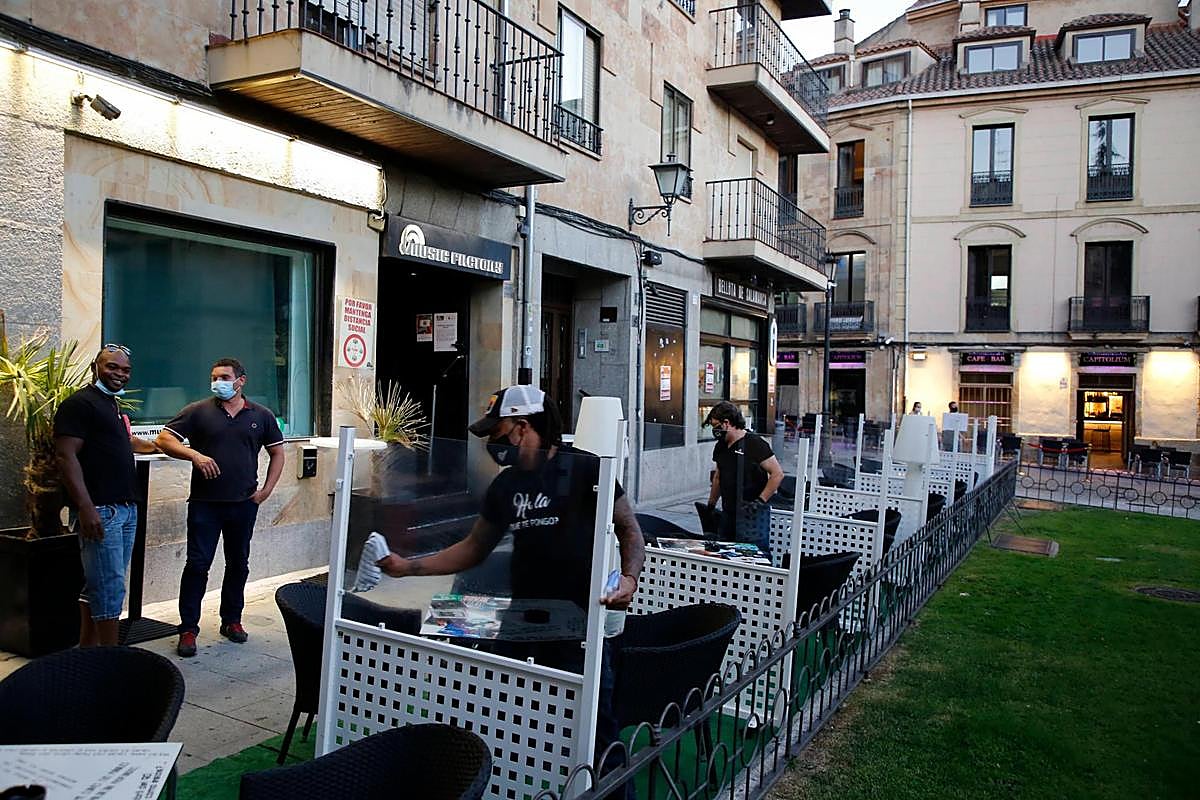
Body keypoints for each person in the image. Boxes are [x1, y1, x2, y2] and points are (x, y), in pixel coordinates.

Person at [353, 386, 644, 792]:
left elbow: (630, 530)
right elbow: (473, 548)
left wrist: (629, 579)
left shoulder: (586, 469)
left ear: (523, 427)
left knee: (597, 739)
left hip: (581, 629)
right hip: (521, 625)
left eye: (498, 432)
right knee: (516, 726)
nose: (493, 443)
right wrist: (407, 567)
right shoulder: (506, 486)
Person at [156, 358, 285, 658]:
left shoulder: (261, 415)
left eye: (225, 377)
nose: (219, 383)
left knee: (238, 564)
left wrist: (266, 491)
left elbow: (278, 453)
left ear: (241, 380)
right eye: (215, 377)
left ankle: (232, 620)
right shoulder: (198, 411)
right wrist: (194, 455)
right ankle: (188, 629)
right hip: (205, 505)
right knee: (197, 565)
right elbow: (164, 439)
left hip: (244, 504)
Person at [53, 344, 159, 646]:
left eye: (125, 370)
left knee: (99, 584)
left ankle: (88, 649)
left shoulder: (111, 405)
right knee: (110, 587)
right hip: (101, 510)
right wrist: (85, 507)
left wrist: (164, 445)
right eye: (112, 367)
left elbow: (123, 443)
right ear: (95, 368)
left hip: (125, 508)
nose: (119, 374)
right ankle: (111, 659)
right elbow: (65, 456)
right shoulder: (79, 404)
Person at [703, 401, 783, 555]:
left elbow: (777, 474)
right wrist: (711, 505)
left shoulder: (755, 444)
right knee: (725, 553)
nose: (715, 431)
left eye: (716, 426)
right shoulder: (721, 446)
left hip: (752, 514)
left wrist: (760, 501)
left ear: (727, 423)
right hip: (728, 512)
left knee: (754, 555)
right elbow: (718, 477)